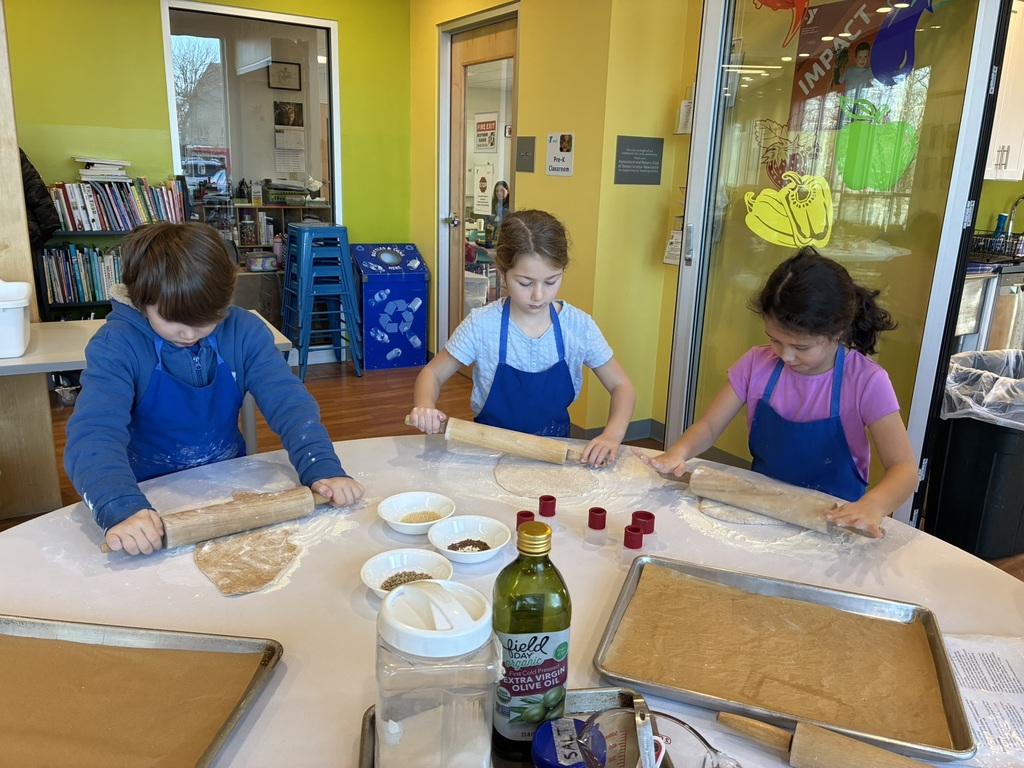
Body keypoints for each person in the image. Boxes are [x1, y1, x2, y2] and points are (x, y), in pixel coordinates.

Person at [64, 222, 364, 555]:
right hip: (147, 496)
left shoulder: (244, 332)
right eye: (172, 321)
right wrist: (119, 506)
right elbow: (93, 435)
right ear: (141, 298)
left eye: (205, 321)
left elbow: (290, 404)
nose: (189, 335)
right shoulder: (117, 346)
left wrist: (321, 466)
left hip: (229, 482)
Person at [635, 246, 916, 537]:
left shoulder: (866, 381)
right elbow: (708, 426)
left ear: (838, 331)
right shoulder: (756, 364)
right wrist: (678, 452)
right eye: (775, 340)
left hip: (835, 523)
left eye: (801, 347)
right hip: (763, 511)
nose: (785, 356)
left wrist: (874, 504)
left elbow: (904, 468)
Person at [407, 209, 635, 467]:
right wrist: (425, 405)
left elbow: (622, 386)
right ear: (502, 272)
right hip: (487, 452)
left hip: (555, 453)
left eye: (551, 281)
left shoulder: (578, 326)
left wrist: (612, 435)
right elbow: (432, 374)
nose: (538, 295)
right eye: (525, 283)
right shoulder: (482, 325)